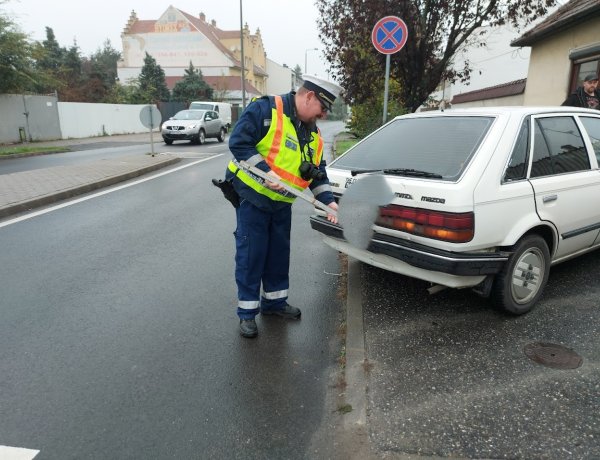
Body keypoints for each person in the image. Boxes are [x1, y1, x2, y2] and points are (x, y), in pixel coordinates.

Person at [224, 75, 341, 338]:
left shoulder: (314, 134)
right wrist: (266, 172)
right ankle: (247, 313)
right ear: (309, 96)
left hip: (281, 204)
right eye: (322, 108)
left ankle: (274, 304)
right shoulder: (265, 110)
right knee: (252, 255)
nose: (323, 115)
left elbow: (317, 173)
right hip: (252, 197)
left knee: (278, 254)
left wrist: (330, 203)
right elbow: (239, 143)